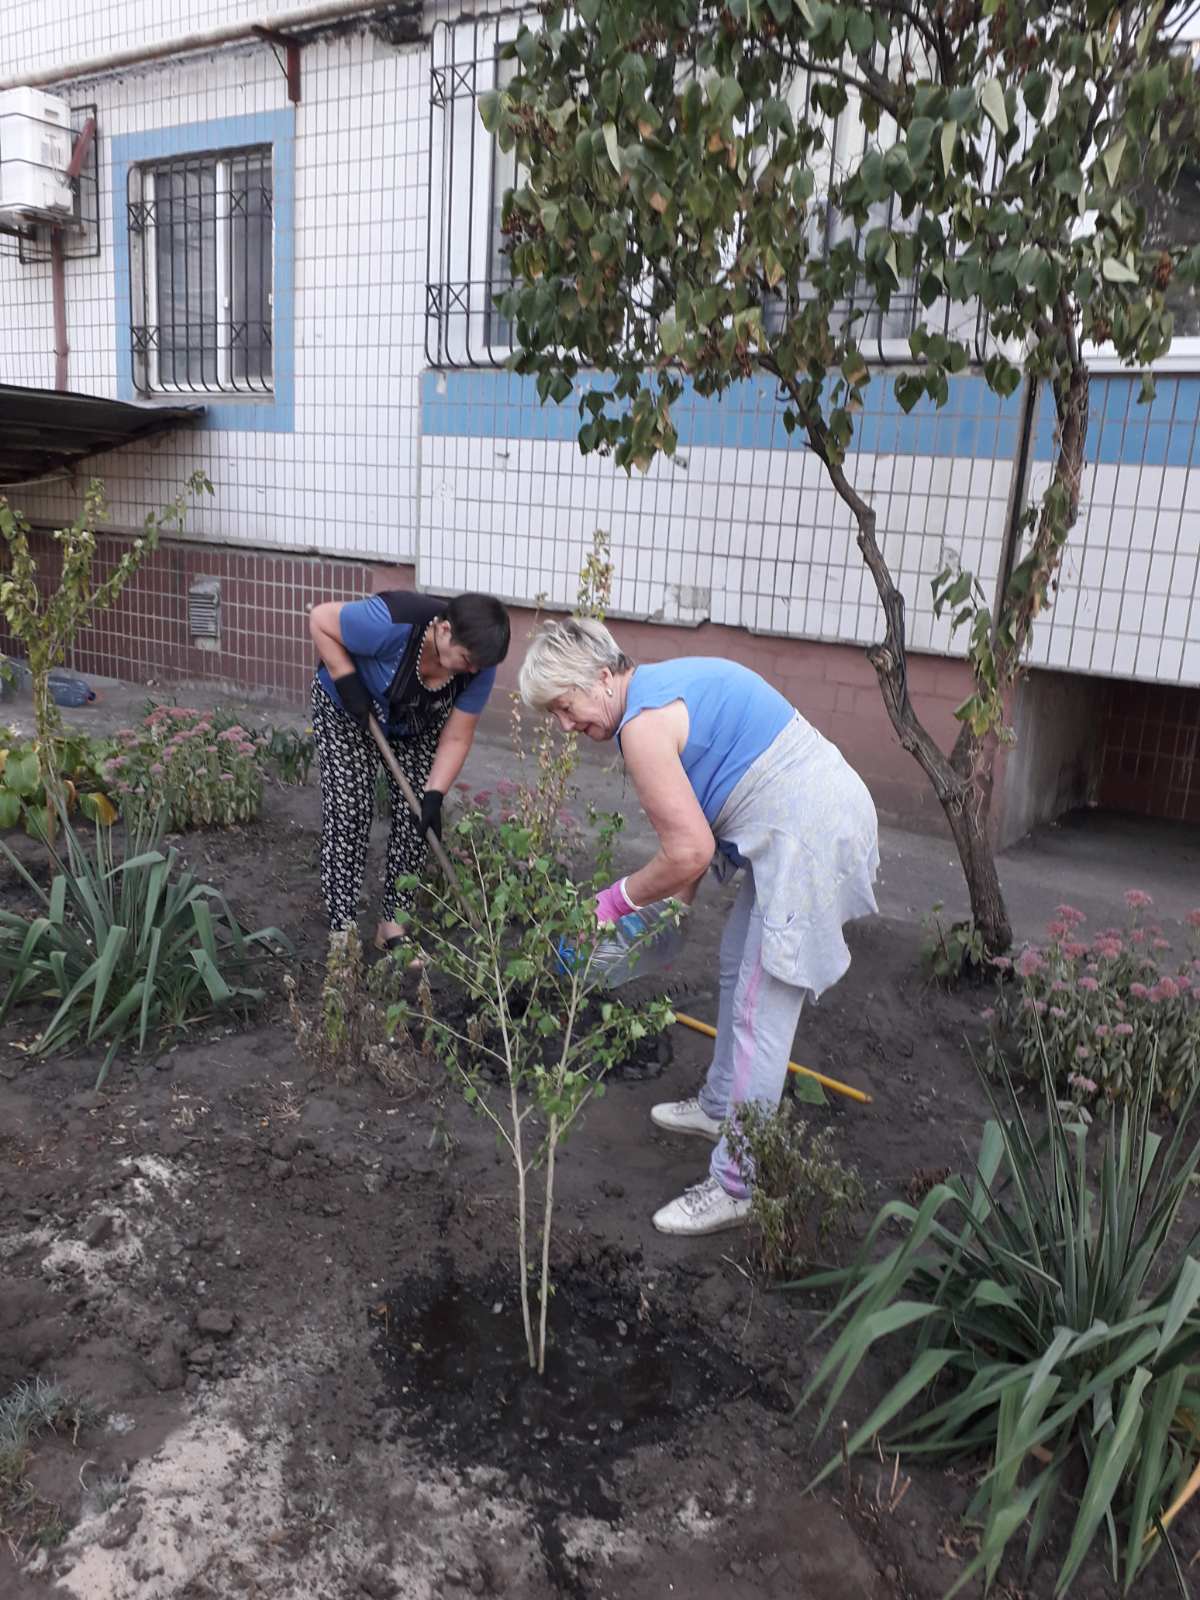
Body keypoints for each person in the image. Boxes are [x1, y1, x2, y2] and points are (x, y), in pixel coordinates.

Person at [518, 618, 879, 1237]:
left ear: (601, 678)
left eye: (564, 706)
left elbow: (686, 855)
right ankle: (719, 1107)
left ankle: (738, 1184)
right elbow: (694, 857)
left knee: (757, 1014)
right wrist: (652, 922)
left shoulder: (642, 726)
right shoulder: (660, 688)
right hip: (803, 819)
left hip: (810, 836)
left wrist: (610, 905)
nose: (564, 726)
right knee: (737, 969)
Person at [309, 590, 510, 947]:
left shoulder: (479, 665)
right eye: (467, 659)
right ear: (445, 630)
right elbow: (321, 619)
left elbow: (457, 737)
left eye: (480, 664)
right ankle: (343, 931)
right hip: (348, 709)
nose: (474, 670)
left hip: (414, 724)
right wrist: (346, 678)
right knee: (350, 812)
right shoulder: (389, 623)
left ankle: (392, 926)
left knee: (418, 817)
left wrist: (434, 793)